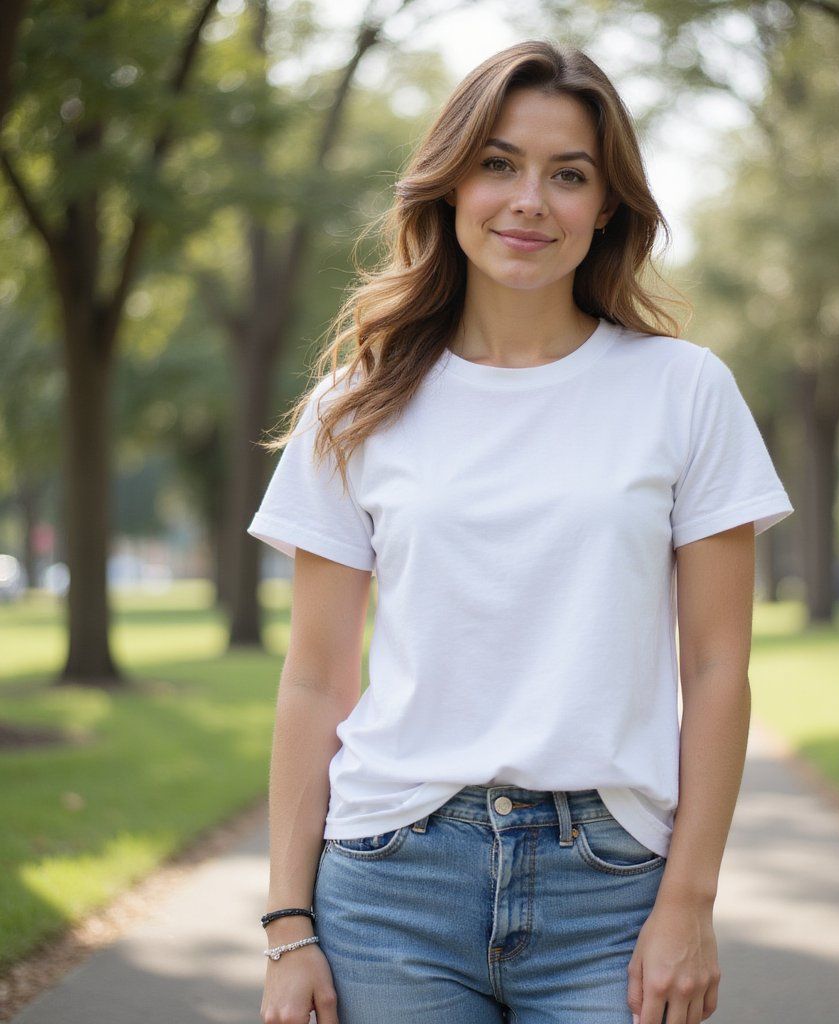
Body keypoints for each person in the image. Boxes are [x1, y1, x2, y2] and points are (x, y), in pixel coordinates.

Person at [248, 38, 793, 1024]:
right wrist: (289, 925)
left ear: (607, 206)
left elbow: (715, 667)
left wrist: (690, 901)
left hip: (612, 889)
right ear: (451, 186)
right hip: (389, 883)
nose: (529, 199)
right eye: (498, 163)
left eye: (568, 174)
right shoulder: (354, 408)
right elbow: (315, 678)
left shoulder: (684, 391)